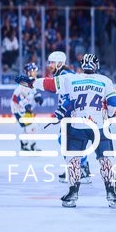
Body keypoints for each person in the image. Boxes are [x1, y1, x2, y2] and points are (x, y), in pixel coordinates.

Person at [20, 53, 116, 207]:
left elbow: (50, 84)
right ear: (97, 66)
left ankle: (73, 193)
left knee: (73, 159)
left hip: (77, 124)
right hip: (99, 125)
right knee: (105, 159)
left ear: (82, 66)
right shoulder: (105, 81)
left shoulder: (72, 78)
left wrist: (33, 83)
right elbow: (113, 102)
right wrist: (111, 115)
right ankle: (111, 193)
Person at [48, 51, 91, 184]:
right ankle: (75, 167)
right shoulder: (63, 74)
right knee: (66, 141)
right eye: (50, 62)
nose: (50, 65)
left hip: (73, 114)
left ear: (60, 63)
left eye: (52, 63)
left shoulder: (65, 76)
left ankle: (82, 169)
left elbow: (70, 96)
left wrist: (62, 110)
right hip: (71, 114)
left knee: (68, 141)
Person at [11, 62, 40, 151]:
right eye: (33, 70)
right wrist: (25, 105)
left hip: (25, 109)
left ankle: (26, 144)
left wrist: (39, 97)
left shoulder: (33, 82)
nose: (35, 72)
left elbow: (34, 92)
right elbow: (16, 97)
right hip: (18, 109)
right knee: (30, 126)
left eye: (35, 70)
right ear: (28, 72)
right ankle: (28, 144)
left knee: (32, 126)